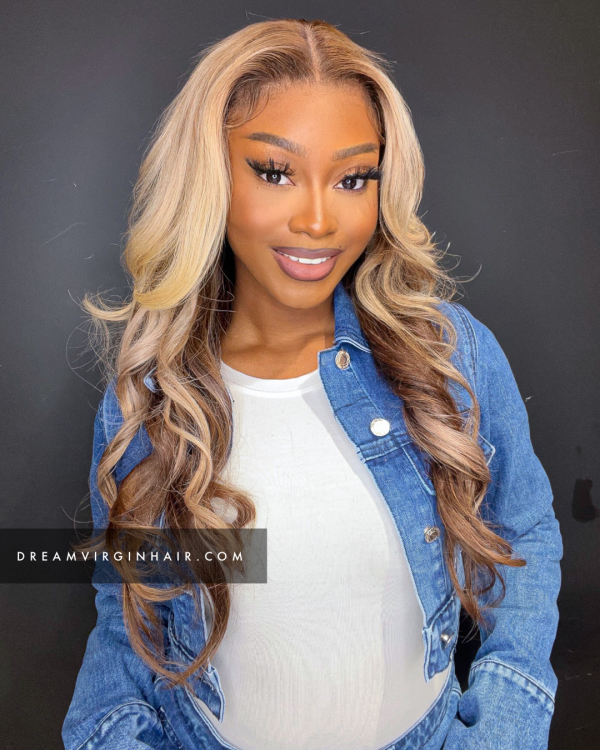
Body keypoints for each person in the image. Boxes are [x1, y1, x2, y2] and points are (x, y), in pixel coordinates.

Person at [62, 18, 563, 750]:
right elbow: (131, 612)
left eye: (353, 178)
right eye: (276, 172)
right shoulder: (154, 394)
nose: (320, 220)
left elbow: (525, 536)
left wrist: (505, 727)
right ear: (210, 175)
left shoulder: (449, 356)